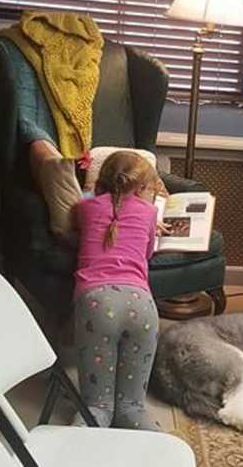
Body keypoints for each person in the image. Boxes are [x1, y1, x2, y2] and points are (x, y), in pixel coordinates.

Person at [73, 150, 162, 430]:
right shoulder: (150, 213)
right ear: (142, 189)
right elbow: (147, 252)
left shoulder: (85, 208)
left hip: (96, 303)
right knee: (132, 408)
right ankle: (161, 452)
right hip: (142, 306)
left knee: (96, 408)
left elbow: (85, 220)